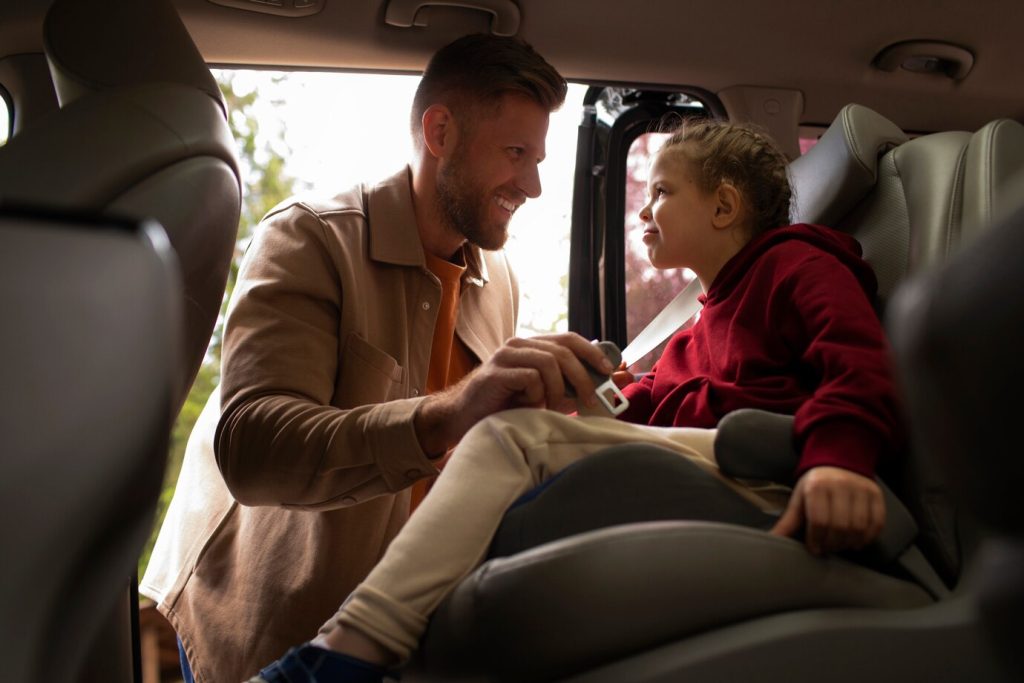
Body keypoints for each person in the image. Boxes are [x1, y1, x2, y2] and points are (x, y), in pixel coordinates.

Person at [252, 118, 900, 683]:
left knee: (510, 441)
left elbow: (856, 358)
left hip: (770, 470)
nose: (645, 212)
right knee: (523, 430)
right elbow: (641, 407)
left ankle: (343, 651)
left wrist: (837, 458)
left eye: (664, 193)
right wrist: (574, 398)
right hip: (709, 463)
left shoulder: (798, 265)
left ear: (725, 207)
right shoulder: (700, 324)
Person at [139, 34, 619, 683]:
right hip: (265, 630)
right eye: (515, 153)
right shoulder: (308, 237)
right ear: (440, 131)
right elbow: (254, 449)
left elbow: (458, 457)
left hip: (395, 631)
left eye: (537, 158)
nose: (532, 184)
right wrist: (450, 412)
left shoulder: (498, 277)